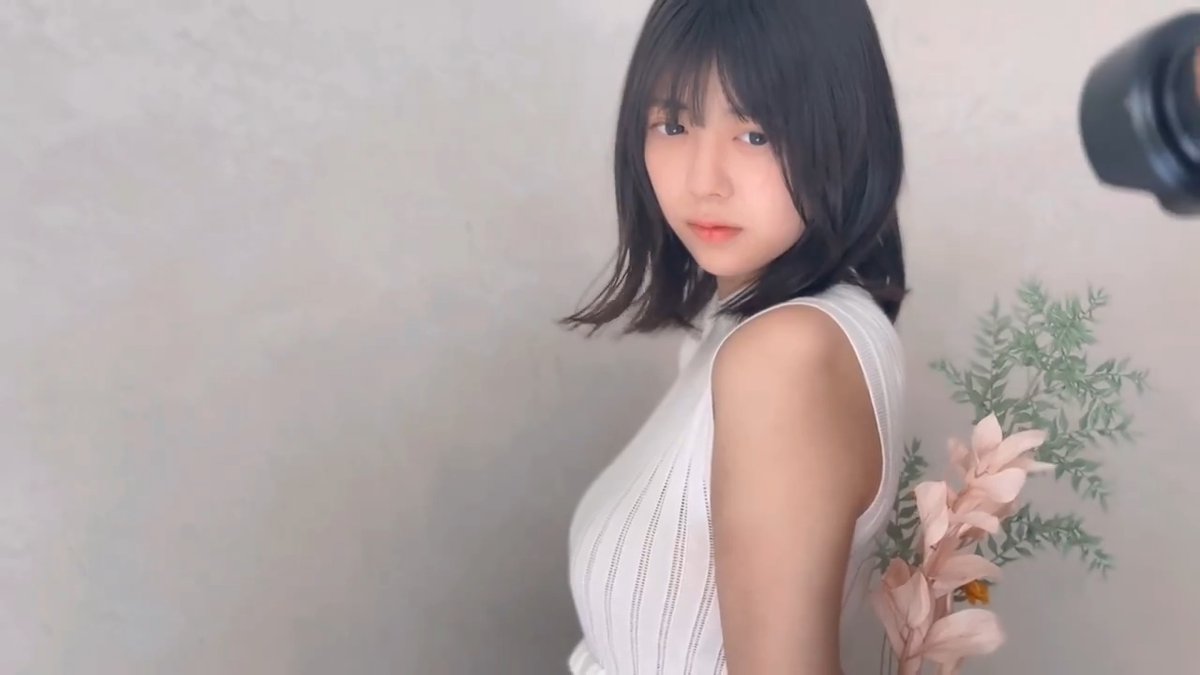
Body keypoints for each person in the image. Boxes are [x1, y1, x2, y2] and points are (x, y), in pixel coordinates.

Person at [559, 0, 907, 672]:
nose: (703, 182)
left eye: (756, 134)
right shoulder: (743, 332)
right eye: (673, 124)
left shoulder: (784, 357)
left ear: (845, 131)